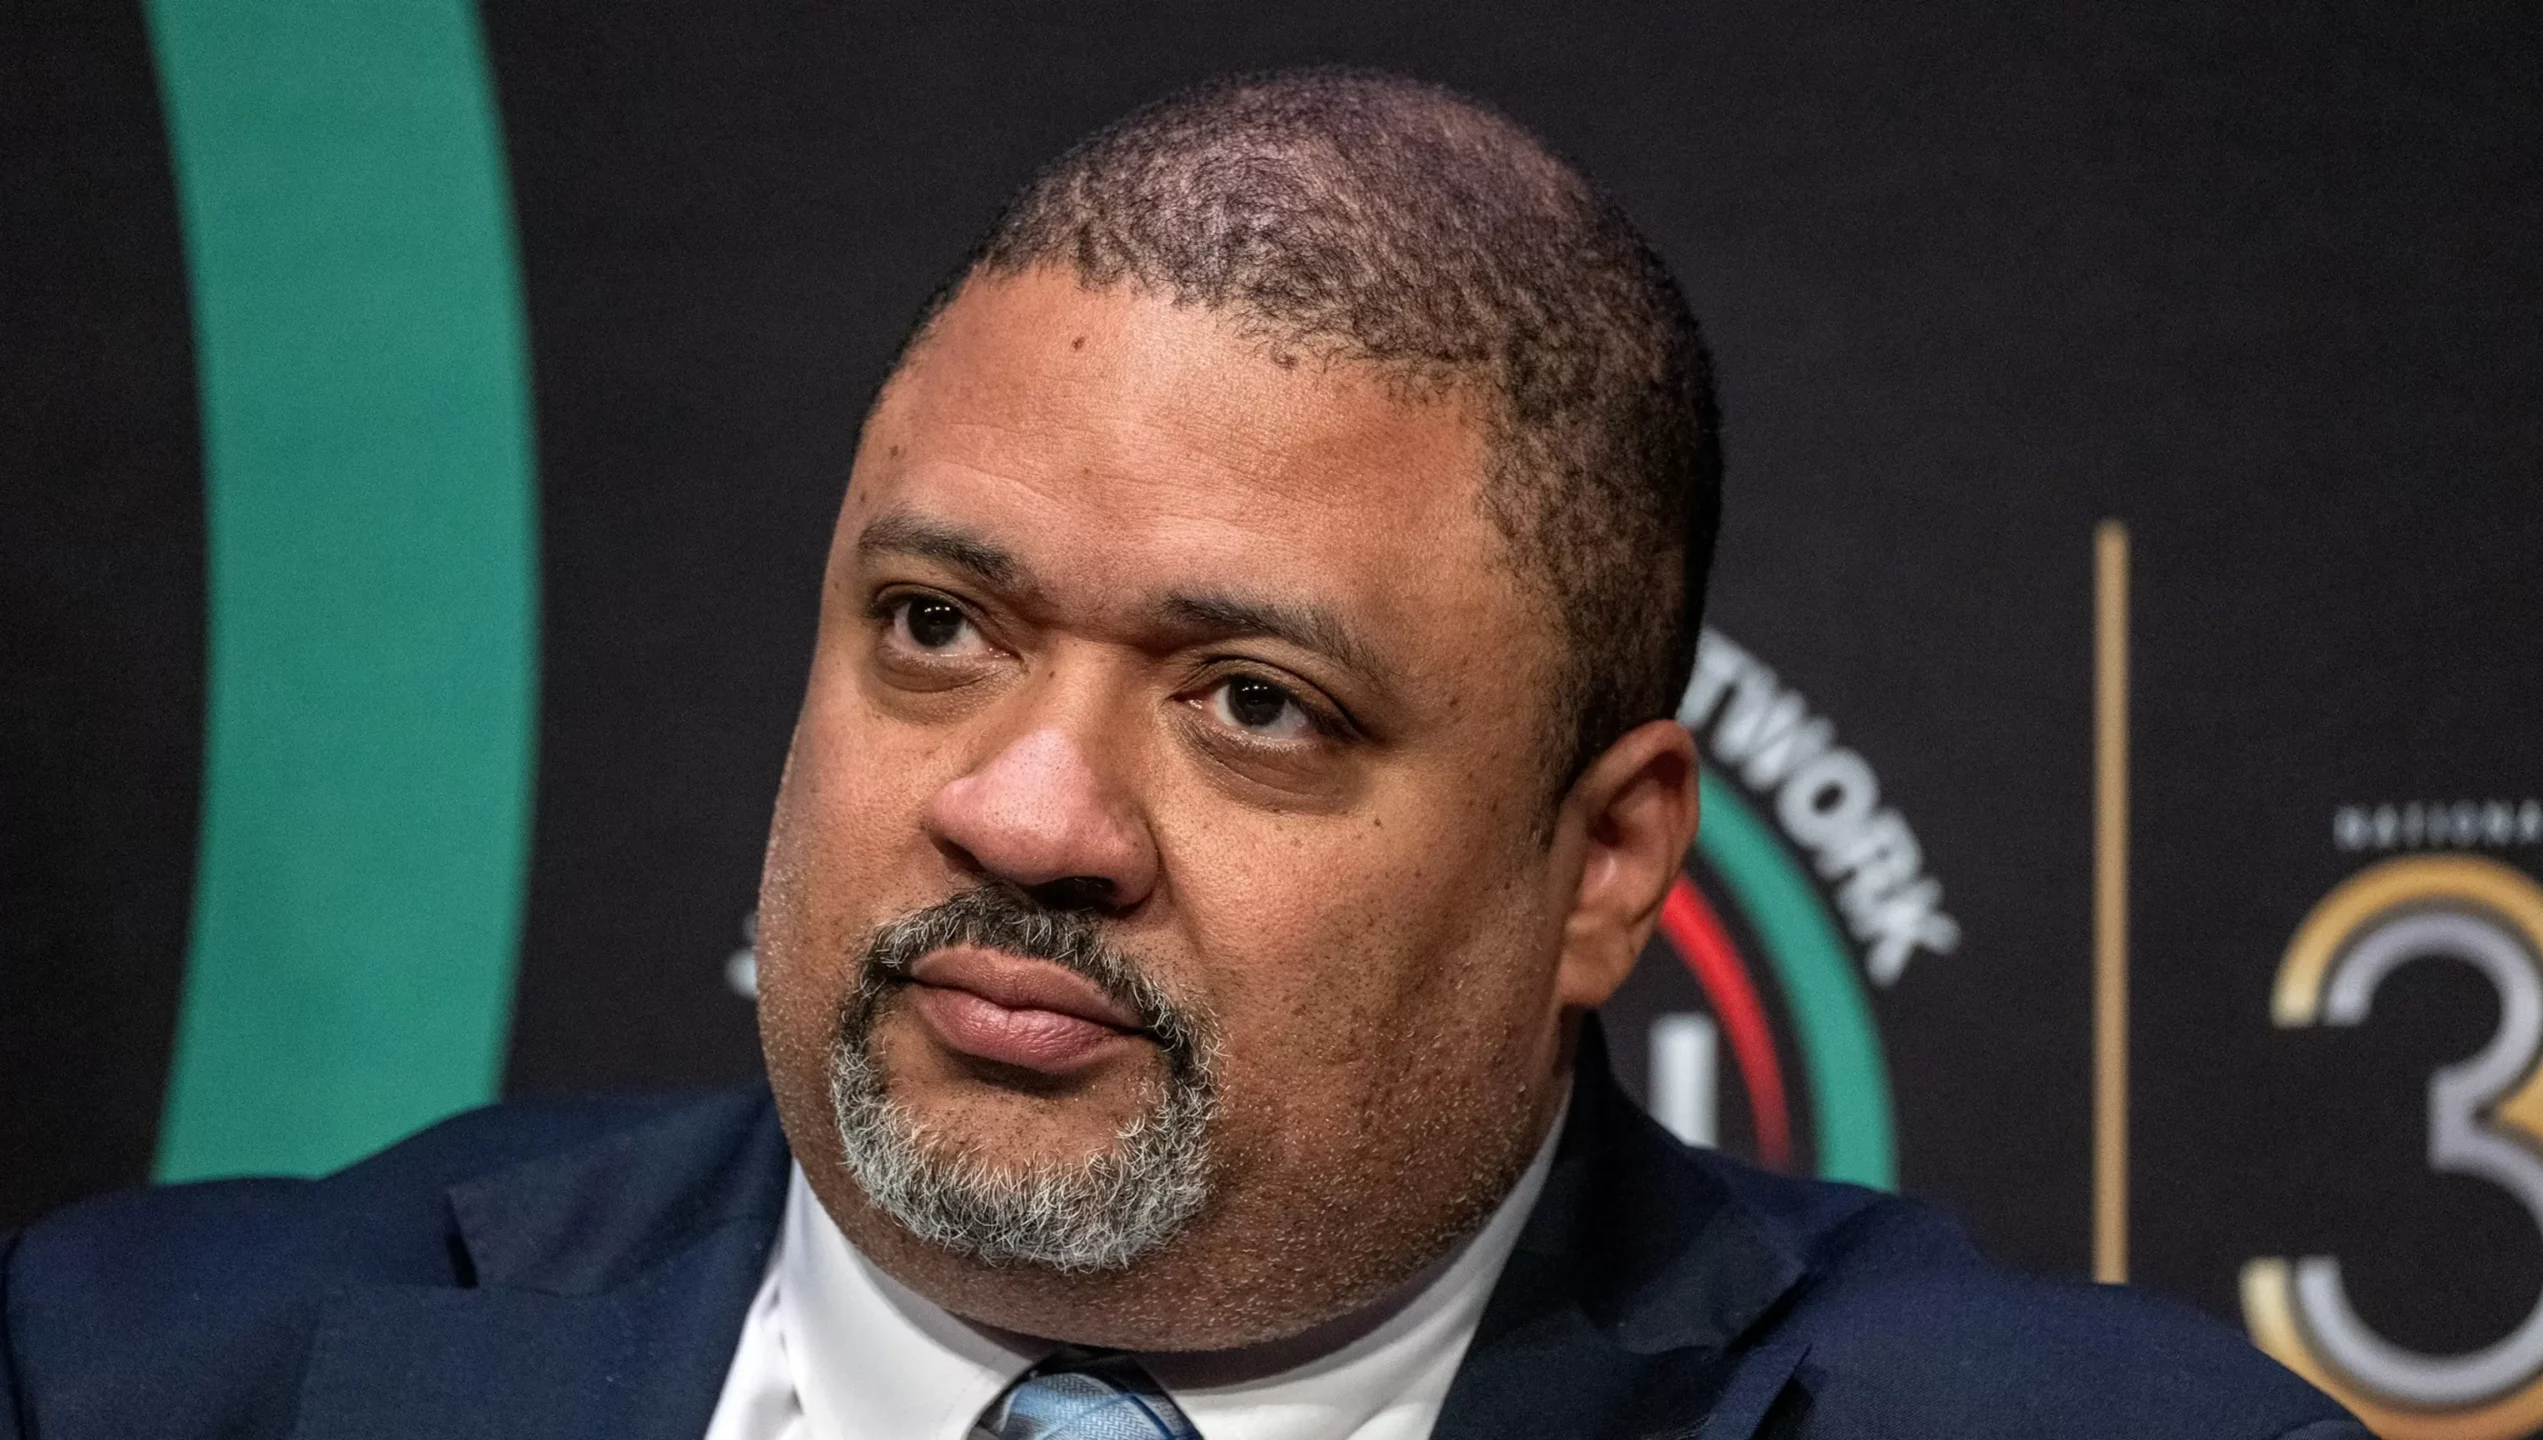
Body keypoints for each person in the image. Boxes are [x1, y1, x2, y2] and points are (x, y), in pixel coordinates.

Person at [1, 69, 2365, 1440]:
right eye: (936, 629)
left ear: (1604, 863)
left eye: (1254, 704)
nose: (1024, 813)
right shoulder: (132, 1381)